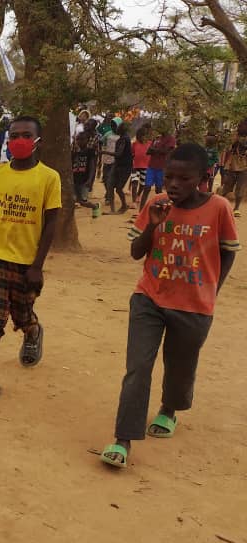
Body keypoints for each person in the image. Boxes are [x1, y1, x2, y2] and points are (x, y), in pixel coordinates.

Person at [101, 144, 240, 468]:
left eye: (183, 178)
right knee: (138, 368)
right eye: (169, 177)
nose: (174, 184)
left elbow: (229, 250)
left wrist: (212, 289)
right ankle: (123, 439)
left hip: (194, 306)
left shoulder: (219, 208)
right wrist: (154, 224)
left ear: (203, 178)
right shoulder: (156, 204)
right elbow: (136, 252)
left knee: (180, 367)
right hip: (149, 297)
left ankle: (169, 409)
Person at [0, 116, 61, 404]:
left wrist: (37, 266)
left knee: (22, 314)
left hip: (27, 260)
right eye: (14, 135)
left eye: (25, 135)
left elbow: (51, 221)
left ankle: (32, 331)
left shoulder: (49, 177)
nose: (18, 140)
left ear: (37, 142)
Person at [219, 120, 247, 218]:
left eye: (242, 125)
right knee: (226, 187)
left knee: (240, 189)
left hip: (244, 168)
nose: (240, 127)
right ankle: (218, 205)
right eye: (239, 125)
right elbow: (228, 148)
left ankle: (236, 208)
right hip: (232, 166)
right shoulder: (235, 135)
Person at [71, 120, 100, 210]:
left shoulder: (90, 152)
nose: (79, 142)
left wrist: (90, 180)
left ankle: (95, 206)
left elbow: (92, 166)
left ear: (87, 140)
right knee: (76, 199)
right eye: (78, 139)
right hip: (76, 179)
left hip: (85, 180)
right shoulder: (74, 153)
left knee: (83, 201)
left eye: (82, 139)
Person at [106, 121, 133, 215]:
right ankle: (115, 208)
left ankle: (120, 207)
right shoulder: (124, 138)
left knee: (116, 188)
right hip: (119, 166)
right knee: (112, 186)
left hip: (123, 167)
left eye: (116, 127)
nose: (115, 129)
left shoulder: (124, 139)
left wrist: (105, 152)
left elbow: (118, 154)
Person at [145, 123, 177, 196]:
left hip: (162, 167)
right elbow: (148, 151)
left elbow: (166, 151)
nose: (159, 128)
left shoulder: (171, 139)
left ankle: (160, 205)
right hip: (151, 166)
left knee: (158, 189)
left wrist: (155, 150)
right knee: (146, 187)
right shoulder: (157, 138)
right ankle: (142, 207)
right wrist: (158, 150)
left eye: (161, 126)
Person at [131, 124, 152, 211]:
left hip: (146, 167)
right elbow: (132, 154)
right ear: (138, 136)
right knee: (134, 183)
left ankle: (138, 195)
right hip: (135, 166)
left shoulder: (150, 144)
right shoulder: (135, 144)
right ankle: (134, 202)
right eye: (142, 136)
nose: (143, 137)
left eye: (145, 136)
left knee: (142, 185)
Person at [101, 117, 121, 201]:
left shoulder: (122, 135)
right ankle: (108, 192)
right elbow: (102, 142)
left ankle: (109, 196)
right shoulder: (108, 134)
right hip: (106, 159)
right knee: (105, 178)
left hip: (116, 161)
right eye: (112, 125)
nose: (113, 127)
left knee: (111, 179)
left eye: (115, 125)